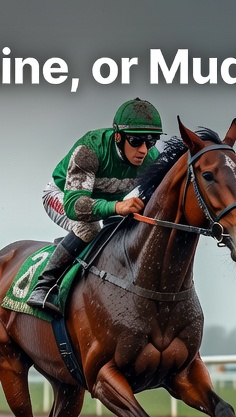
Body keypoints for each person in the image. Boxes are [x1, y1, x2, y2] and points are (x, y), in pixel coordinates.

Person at [27, 98, 163, 316]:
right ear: (118, 136)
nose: (144, 150)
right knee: (89, 229)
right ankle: (44, 285)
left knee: (125, 232)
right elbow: (75, 207)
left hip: (105, 200)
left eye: (151, 141)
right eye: (136, 141)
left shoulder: (151, 159)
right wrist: (117, 207)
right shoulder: (90, 149)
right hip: (64, 196)